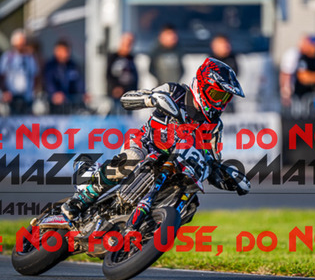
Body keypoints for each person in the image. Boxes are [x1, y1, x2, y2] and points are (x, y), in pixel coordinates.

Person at [61, 57, 250, 221]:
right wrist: (152, 99)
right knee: (131, 159)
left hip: (178, 164)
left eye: (225, 98)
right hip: (146, 145)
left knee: (191, 202)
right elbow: (127, 99)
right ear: (202, 85)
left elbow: (212, 161)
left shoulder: (215, 126)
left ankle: (149, 230)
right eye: (217, 95)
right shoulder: (175, 91)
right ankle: (82, 199)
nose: (219, 102)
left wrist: (230, 178)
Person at [0, 29, 38, 115]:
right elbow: (1, 76)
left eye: (23, 44)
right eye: (19, 44)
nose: (21, 46)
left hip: (26, 98)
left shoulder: (29, 58)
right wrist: (5, 91)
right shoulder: (7, 57)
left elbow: (35, 76)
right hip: (10, 98)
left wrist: (33, 92)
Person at [43, 39, 87, 114]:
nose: (66, 54)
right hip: (55, 106)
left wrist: (83, 94)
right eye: (64, 51)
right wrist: (54, 94)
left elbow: (79, 83)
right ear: (57, 51)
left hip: (72, 104)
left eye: (67, 51)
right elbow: (48, 82)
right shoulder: (50, 66)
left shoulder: (73, 66)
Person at [106, 33, 138, 113]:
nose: (128, 46)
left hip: (129, 94)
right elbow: (109, 74)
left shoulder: (131, 58)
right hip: (116, 94)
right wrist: (115, 87)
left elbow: (134, 76)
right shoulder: (113, 57)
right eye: (126, 44)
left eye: (130, 44)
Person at [279, 35, 306, 107]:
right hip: (290, 93)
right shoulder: (293, 54)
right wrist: (285, 92)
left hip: (295, 92)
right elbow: (286, 73)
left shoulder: (301, 55)